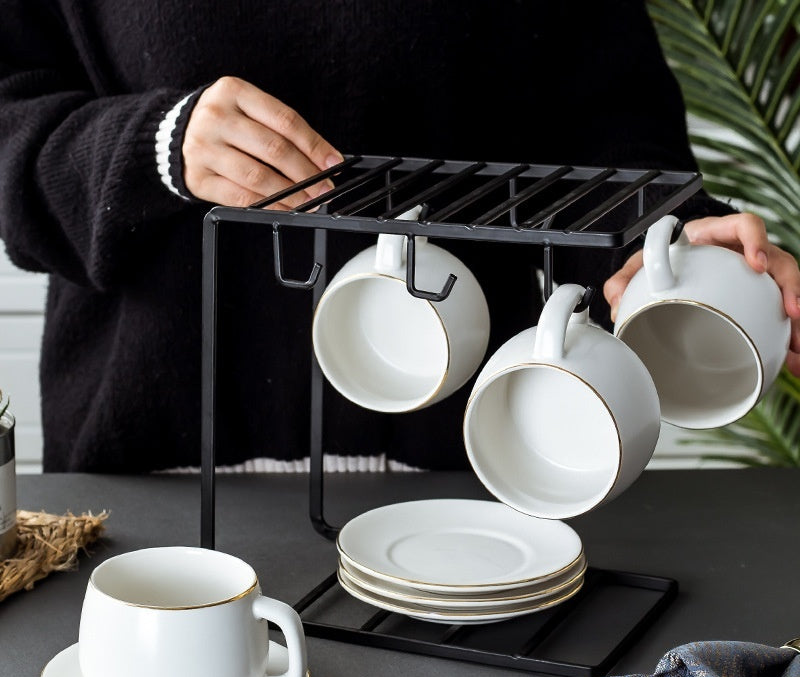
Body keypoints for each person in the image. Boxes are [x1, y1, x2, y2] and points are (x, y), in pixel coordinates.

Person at [1, 1, 798, 474]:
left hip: (477, 472)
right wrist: (151, 146)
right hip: (153, 482)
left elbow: (614, 128)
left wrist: (673, 248)